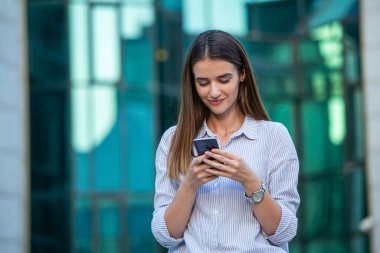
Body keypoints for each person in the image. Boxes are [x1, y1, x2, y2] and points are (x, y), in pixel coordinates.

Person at [151, 30, 300, 253]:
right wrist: (190, 184)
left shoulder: (274, 136)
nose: (213, 91)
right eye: (203, 82)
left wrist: (249, 181)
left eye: (223, 80)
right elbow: (166, 236)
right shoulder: (173, 140)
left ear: (242, 74)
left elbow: (284, 232)